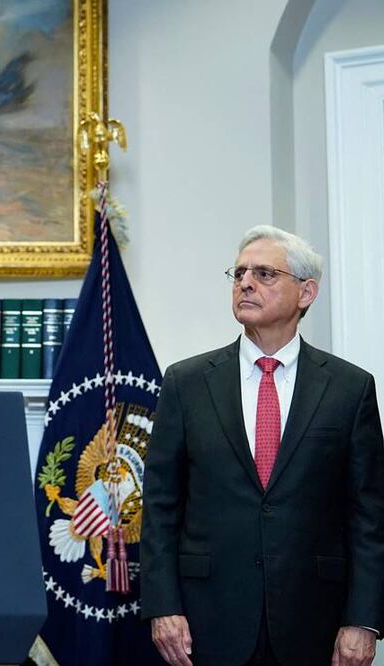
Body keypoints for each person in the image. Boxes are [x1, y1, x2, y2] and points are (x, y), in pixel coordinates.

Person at [141, 226, 384, 666]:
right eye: (239, 274)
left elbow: (368, 515)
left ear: (306, 292)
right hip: (206, 621)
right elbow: (160, 506)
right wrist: (163, 606)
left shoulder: (350, 389)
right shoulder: (186, 383)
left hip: (315, 622)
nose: (246, 283)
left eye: (265, 274)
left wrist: (363, 621)